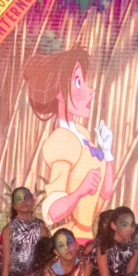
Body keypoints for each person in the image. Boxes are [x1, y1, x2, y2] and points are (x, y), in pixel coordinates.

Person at [23, 47, 115, 238]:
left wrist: (107, 154)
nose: (89, 91)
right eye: (78, 82)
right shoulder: (63, 140)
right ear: (60, 93)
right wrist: (80, 191)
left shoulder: (82, 134)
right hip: (70, 238)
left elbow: (105, 193)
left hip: (88, 237)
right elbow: (52, 212)